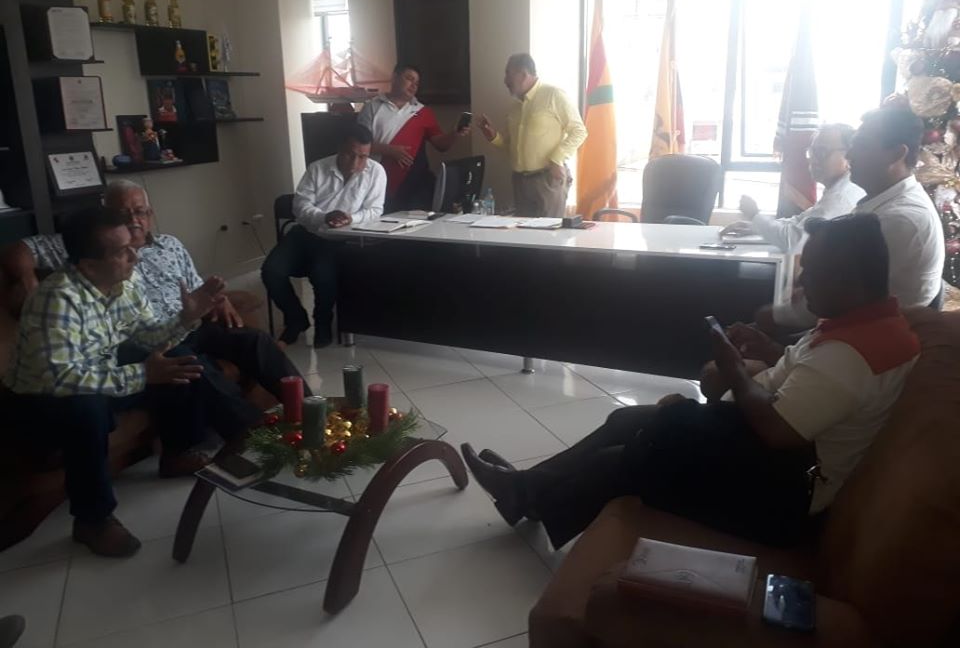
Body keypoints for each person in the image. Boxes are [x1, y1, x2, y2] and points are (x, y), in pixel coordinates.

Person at [462, 214, 919, 550]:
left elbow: (776, 430)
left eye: (812, 272)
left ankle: (528, 495)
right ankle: (526, 491)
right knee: (628, 421)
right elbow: (814, 384)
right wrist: (771, 349)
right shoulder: (868, 325)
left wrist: (732, 366)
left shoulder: (850, 354)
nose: (801, 281)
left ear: (849, 279)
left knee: (638, 453)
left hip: (784, 495)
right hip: (781, 461)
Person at [2, 207, 241, 557]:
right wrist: (143, 374)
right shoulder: (57, 299)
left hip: (98, 371)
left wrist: (187, 316)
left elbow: (150, 336)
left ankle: (178, 452)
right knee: (87, 408)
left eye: (132, 246)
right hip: (40, 399)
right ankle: (92, 520)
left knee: (178, 360)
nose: (135, 256)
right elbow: (63, 377)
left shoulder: (123, 284)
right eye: (122, 251)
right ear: (89, 266)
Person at [0, 180, 309, 412]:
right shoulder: (92, 246)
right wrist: (27, 277)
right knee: (190, 364)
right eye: (123, 213)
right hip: (145, 339)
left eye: (140, 212)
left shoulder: (170, 245)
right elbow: (21, 248)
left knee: (255, 340)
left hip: (185, 324)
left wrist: (217, 300)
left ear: (151, 214)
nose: (134, 219)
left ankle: (310, 409)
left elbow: (196, 288)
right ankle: (248, 436)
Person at [761, 106, 944, 330]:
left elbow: (837, 302)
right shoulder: (880, 201)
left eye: (862, 145)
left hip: (867, 339)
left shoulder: (898, 221)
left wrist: (773, 315)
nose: (850, 155)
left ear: (897, 154)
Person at [261, 123, 386, 348]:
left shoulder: (376, 172)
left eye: (363, 157)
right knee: (271, 270)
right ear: (339, 148)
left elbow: (375, 210)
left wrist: (351, 218)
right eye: (350, 155)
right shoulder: (317, 168)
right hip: (306, 233)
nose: (356, 163)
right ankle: (296, 319)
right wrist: (323, 217)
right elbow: (300, 206)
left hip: (339, 239)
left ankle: (323, 324)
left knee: (323, 276)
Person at [722, 123, 864, 253]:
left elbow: (795, 242)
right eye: (812, 152)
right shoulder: (840, 188)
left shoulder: (841, 197)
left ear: (849, 156)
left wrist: (754, 215)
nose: (813, 160)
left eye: (822, 152)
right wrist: (755, 226)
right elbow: (799, 222)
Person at [479, 53, 587, 218]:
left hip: (547, 180)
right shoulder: (515, 108)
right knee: (524, 233)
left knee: (549, 232)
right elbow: (510, 146)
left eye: (508, 74)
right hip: (520, 182)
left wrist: (557, 158)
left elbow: (579, 131)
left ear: (523, 74)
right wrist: (493, 136)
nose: (505, 81)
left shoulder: (554, 95)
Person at [358, 63, 470, 212]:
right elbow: (358, 144)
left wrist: (454, 133)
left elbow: (441, 145)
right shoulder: (372, 107)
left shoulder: (423, 111)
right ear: (395, 77)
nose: (413, 85)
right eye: (409, 79)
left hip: (416, 184)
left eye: (417, 83)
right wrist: (389, 150)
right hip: (380, 180)